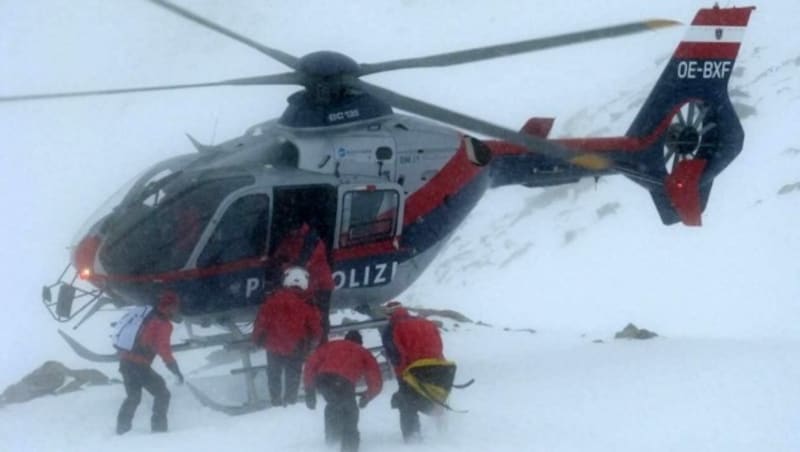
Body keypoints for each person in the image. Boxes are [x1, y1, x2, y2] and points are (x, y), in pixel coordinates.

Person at [381, 300, 453, 443]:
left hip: (411, 370)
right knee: (436, 398)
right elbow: (439, 344)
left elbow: (395, 355)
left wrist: (401, 372)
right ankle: (445, 434)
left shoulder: (391, 328)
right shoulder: (426, 323)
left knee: (406, 403)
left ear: (389, 315)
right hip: (439, 367)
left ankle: (413, 438)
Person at [303, 330, 383, 452]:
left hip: (323, 379)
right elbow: (375, 380)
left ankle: (332, 441)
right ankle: (349, 447)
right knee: (349, 412)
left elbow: (310, 365)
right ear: (360, 343)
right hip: (344, 381)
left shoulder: (330, 346)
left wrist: (309, 390)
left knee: (333, 404)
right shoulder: (363, 352)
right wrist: (367, 397)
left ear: (346, 339)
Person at [253, 266, 322, 406]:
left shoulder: (272, 300)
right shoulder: (307, 305)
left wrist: (257, 339)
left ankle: (276, 402)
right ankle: (290, 402)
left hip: (273, 346)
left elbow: (261, 322)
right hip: (295, 347)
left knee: (274, 375)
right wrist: (313, 343)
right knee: (293, 376)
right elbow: (316, 329)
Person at [116, 291, 184, 434]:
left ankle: (122, 429)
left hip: (125, 362)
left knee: (133, 397)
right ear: (170, 308)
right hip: (139, 365)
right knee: (162, 393)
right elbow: (163, 348)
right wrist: (174, 368)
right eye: (175, 307)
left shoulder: (146, 316)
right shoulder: (163, 324)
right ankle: (159, 429)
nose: (176, 311)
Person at [271, 220, 334, 341]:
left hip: (320, 286)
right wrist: (278, 261)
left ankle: (322, 343)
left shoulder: (312, 241)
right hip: (306, 286)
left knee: (321, 317)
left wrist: (285, 265)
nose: (290, 233)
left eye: (292, 231)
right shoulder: (290, 239)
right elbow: (281, 254)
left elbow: (302, 264)